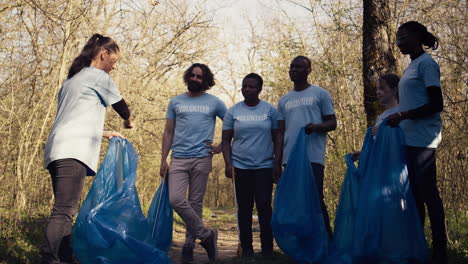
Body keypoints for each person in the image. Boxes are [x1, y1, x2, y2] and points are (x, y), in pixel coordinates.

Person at [41, 34, 134, 264]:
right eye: (114, 59)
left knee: (67, 209)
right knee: (64, 209)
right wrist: (129, 120)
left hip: (58, 148)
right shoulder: (98, 76)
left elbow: (73, 120)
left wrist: (104, 133)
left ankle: (64, 257)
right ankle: (47, 258)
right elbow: (121, 106)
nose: (115, 65)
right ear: (103, 55)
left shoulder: (72, 80)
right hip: (72, 150)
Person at [387, 21, 447, 264]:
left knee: (428, 193)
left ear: (415, 36)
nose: (398, 42)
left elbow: (436, 104)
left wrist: (404, 115)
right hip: (408, 139)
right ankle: (418, 246)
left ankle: (440, 251)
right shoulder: (411, 66)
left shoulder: (427, 65)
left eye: (402, 37)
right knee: (414, 196)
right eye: (397, 38)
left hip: (424, 139)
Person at [160, 63, 226, 263]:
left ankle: (188, 245)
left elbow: (232, 124)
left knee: (195, 203)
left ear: (205, 81)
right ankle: (206, 236)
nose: (195, 79)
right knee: (176, 200)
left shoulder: (215, 102)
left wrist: (222, 146)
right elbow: (168, 131)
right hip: (178, 158)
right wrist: (163, 159)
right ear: (187, 77)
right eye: (193, 75)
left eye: (199, 77)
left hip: (202, 158)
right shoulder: (176, 102)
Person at [221, 73, 283, 258]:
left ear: (259, 89)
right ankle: (247, 249)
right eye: (244, 86)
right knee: (244, 207)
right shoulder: (233, 112)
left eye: (251, 86)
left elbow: (278, 137)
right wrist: (228, 163)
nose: (247, 89)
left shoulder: (270, 111)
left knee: (264, 205)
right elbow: (225, 140)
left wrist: (277, 163)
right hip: (240, 167)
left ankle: (267, 248)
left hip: (264, 166)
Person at [278, 55, 337, 238]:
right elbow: (280, 133)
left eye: (298, 67)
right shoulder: (284, 100)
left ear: (309, 70)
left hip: (312, 156)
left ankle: (326, 242)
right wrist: (276, 161)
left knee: (315, 200)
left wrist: (316, 127)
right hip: (290, 158)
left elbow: (332, 123)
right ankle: (301, 244)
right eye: (291, 67)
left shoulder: (320, 94)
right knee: (295, 202)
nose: (293, 70)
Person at [351, 73, 400, 161]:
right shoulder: (380, 117)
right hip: (381, 166)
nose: (378, 92)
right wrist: (363, 155)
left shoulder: (401, 113)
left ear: (394, 90)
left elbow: (402, 140)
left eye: (382, 88)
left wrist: (383, 131)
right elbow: (379, 147)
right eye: (377, 89)